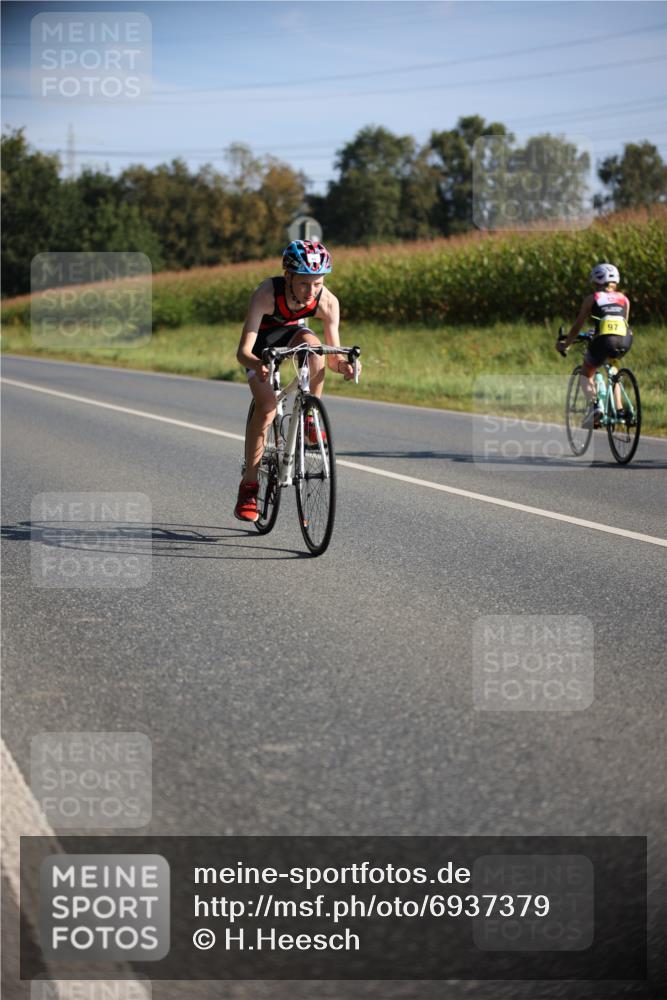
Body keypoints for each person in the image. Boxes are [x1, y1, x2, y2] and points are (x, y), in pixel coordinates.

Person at [234, 239, 357, 522]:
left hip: (293, 336)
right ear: (287, 276)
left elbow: (333, 358)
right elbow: (242, 352)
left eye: (317, 283)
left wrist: (346, 366)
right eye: (304, 283)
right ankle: (249, 486)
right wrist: (257, 365)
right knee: (267, 407)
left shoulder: (328, 301)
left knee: (315, 349)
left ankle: (310, 416)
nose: (311, 291)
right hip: (261, 347)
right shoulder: (266, 294)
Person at [556, 262, 633, 428]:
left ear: (597, 281)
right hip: (625, 339)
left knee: (586, 372)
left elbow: (576, 327)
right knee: (614, 370)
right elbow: (621, 323)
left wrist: (566, 344)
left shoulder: (592, 299)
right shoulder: (624, 299)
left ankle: (595, 408)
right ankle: (619, 409)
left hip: (605, 340)